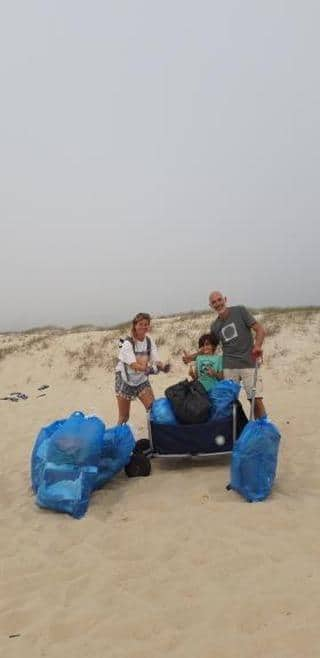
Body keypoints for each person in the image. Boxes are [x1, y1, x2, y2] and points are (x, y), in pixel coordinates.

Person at [183, 292, 266, 419]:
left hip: (248, 362)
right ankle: (233, 430)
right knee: (228, 402)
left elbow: (260, 329)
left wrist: (257, 345)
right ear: (211, 306)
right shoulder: (215, 326)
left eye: (219, 300)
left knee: (255, 400)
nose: (217, 304)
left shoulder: (240, 311)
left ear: (225, 299)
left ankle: (264, 428)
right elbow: (209, 347)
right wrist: (191, 357)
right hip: (229, 366)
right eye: (214, 302)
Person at [115, 312, 168, 424]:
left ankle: (155, 438)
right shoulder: (127, 343)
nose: (143, 327)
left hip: (141, 380)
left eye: (146, 324)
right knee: (124, 417)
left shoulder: (149, 341)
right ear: (135, 325)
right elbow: (133, 365)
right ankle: (118, 438)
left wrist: (163, 367)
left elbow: (155, 359)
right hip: (125, 380)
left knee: (153, 411)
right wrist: (148, 369)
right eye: (140, 324)